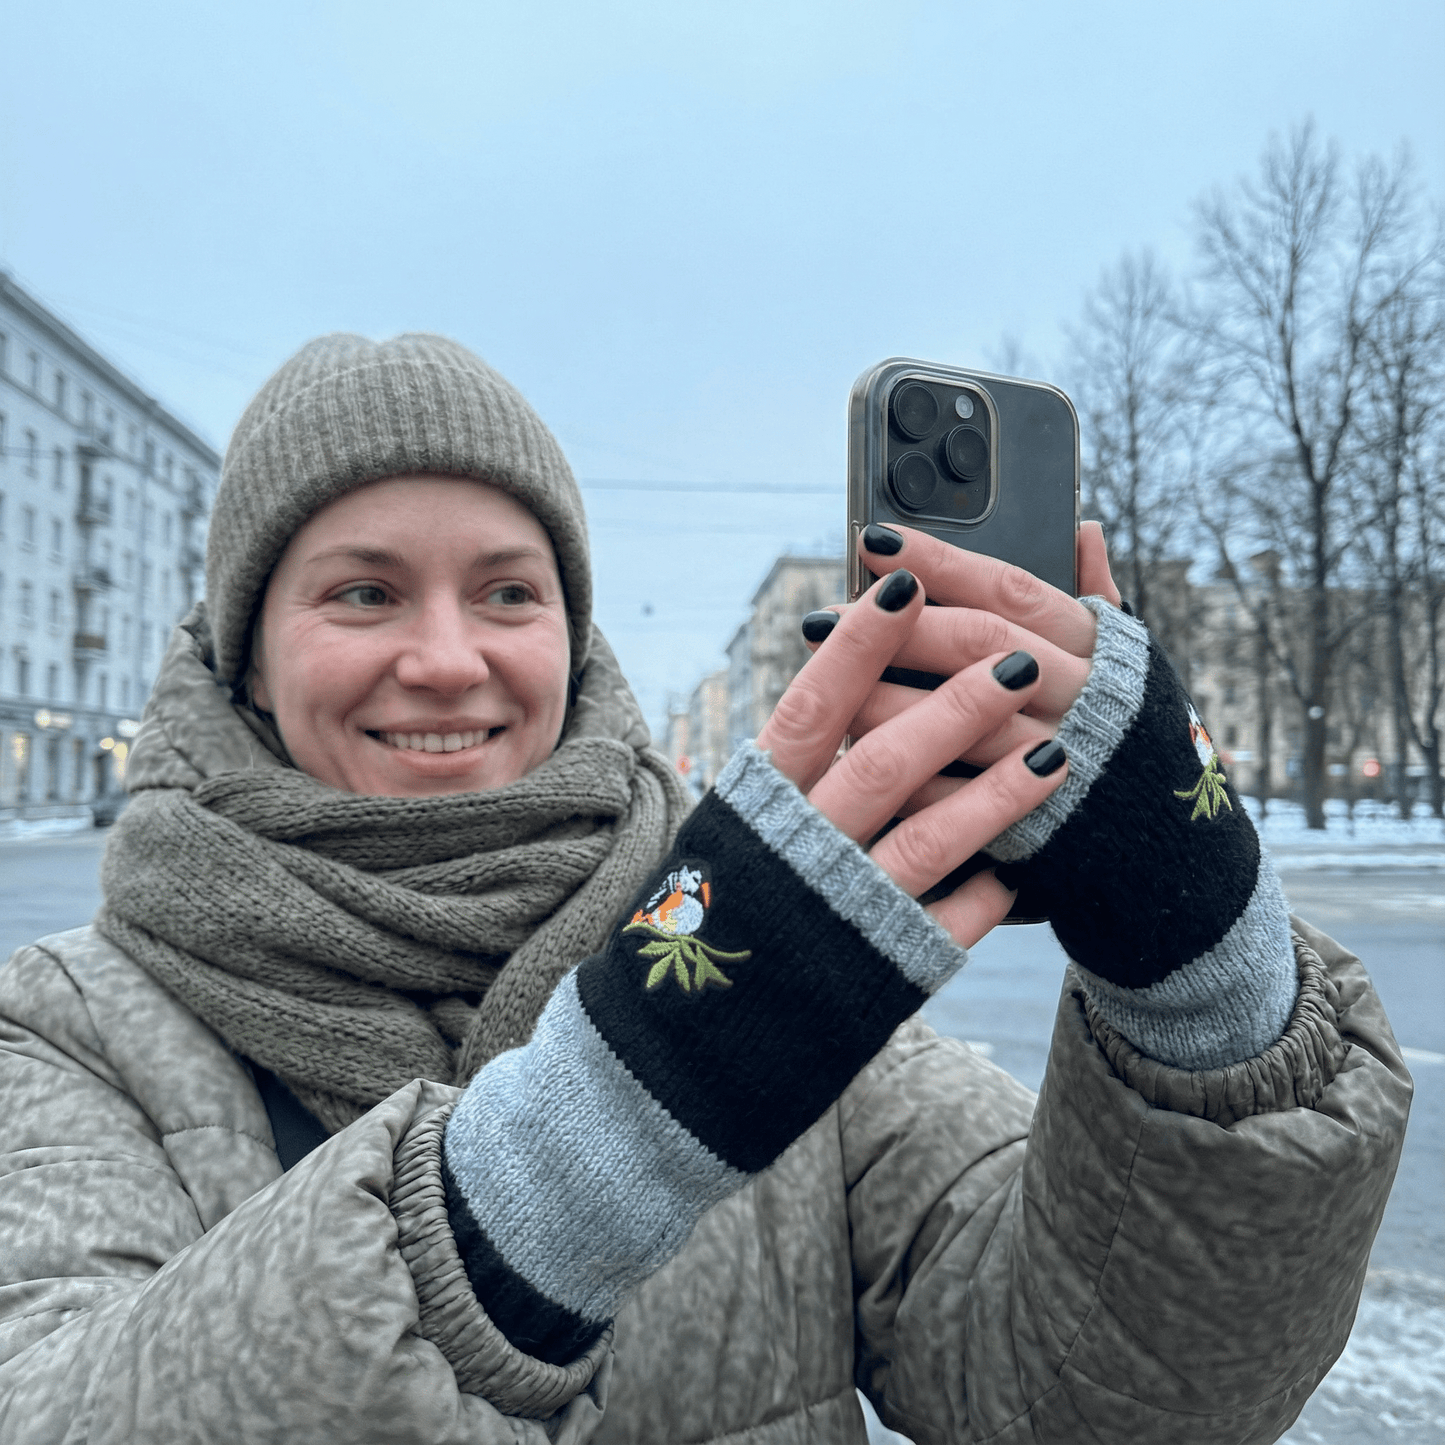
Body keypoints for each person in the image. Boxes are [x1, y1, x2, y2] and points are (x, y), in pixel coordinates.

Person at [0, 333, 1410, 1445]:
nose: (445, 658)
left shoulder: (777, 962)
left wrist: (1200, 958)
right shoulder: (65, 1032)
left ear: (572, 633)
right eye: (362, 593)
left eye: (508, 592)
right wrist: (602, 1127)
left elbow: (1102, 1398)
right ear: (243, 653)